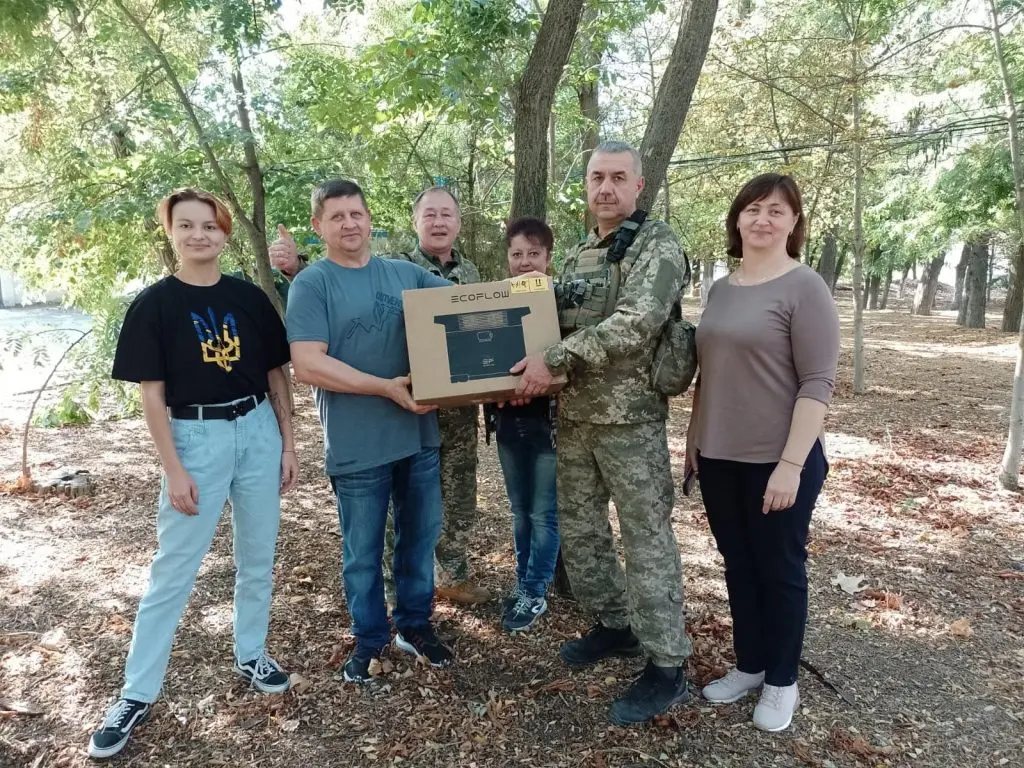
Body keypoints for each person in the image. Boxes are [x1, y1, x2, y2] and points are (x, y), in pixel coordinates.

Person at [89, 189, 298, 760]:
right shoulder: (154, 306)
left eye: (209, 225)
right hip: (195, 437)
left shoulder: (249, 298)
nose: (199, 235)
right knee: (173, 571)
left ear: (225, 233)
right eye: (186, 225)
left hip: (256, 429)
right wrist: (173, 468)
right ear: (171, 233)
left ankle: (251, 652)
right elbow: (151, 398)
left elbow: (276, 375)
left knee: (258, 556)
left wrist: (288, 443)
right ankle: (136, 693)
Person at [511, 141, 691, 725]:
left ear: (639, 186)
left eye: (618, 178)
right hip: (576, 418)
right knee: (583, 533)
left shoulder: (657, 245)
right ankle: (617, 626)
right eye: (596, 178)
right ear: (586, 186)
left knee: (646, 540)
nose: (606, 188)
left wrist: (553, 359)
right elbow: (551, 322)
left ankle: (668, 663)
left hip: (631, 423)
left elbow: (637, 322)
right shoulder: (580, 253)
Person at [285, 179, 455, 683]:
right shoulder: (312, 284)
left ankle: (415, 625)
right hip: (357, 445)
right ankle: (370, 638)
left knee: (419, 539)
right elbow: (308, 364)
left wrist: (529, 291)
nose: (349, 224)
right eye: (336, 216)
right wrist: (384, 387)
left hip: (417, 435)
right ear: (318, 226)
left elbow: (466, 306)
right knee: (362, 553)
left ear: (369, 218)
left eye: (356, 214)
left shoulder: (405, 274)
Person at [687, 173, 839, 732]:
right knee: (739, 564)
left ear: (794, 222)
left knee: (780, 569)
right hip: (719, 456)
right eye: (752, 209)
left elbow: (818, 383)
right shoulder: (721, 290)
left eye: (776, 210)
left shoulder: (805, 287)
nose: (762, 219)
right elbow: (710, 374)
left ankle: (782, 680)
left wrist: (791, 466)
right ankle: (750, 665)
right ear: (737, 219)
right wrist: (694, 441)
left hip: (779, 460)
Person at [388, 186, 488, 605]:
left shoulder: (472, 274)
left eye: (447, 214)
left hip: (459, 413)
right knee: (405, 500)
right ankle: (398, 586)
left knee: (460, 499)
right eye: (430, 214)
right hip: (410, 409)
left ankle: (452, 574)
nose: (439, 222)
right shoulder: (395, 269)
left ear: (459, 223)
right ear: (416, 221)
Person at [484, 217, 560, 632]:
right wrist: (494, 392)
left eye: (534, 253)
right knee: (519, 511)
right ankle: (523, 582)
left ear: (548, 257)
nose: (525, 261)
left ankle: (535, 591)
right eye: (517, 254)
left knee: (544, 512)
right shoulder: (492, 303)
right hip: (509, 423)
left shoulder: (561, 300)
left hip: (550, 425)